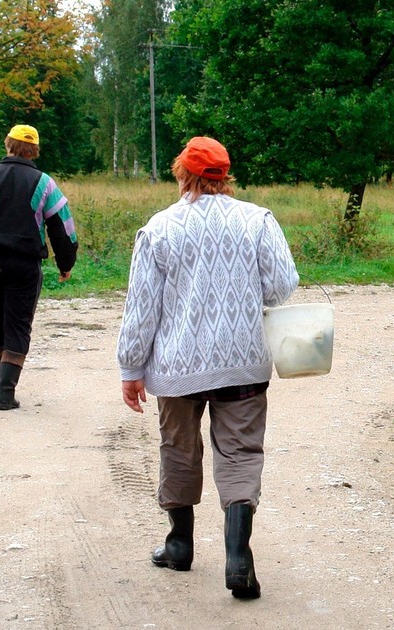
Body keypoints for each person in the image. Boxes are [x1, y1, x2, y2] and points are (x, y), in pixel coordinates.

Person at [116, 136, 298, 600]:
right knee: (240, 452)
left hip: (177, 368)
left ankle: (179, 544)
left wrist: (131, 367)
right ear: (226, 175)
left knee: (178, 447)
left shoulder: (159, 228)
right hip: (243, 363)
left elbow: (141, 309)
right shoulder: (257, 220)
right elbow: (281, 287)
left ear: (183, 174)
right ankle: (238, 555)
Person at [0, 124, 78, 410]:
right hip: (24, 264)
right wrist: (65, 262)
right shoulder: (44, 183)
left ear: (7, 145)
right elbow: (62, 228)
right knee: (18, 325)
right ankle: (5, 392)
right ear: (34, 151)